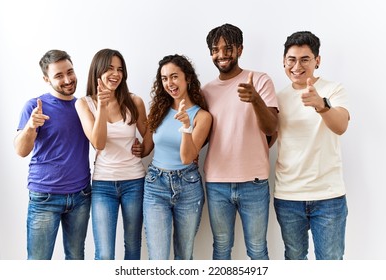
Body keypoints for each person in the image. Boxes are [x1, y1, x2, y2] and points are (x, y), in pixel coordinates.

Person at [202, 23, 278, 260]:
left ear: (240, 49)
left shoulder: (260, 80)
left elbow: (271, 127)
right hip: (217, 183)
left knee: (257, 250)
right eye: (215, 49)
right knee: (221, 248)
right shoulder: (206, 90)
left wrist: (255, 99)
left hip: (253, 182)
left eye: (228, 48)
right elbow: (203, 136)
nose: (221, 54)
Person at [273, 31, 350, 260]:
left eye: (305, 59)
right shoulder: (278, 97)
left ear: (317, 60)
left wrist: (321, 105)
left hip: (328, 196)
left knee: (331, 262)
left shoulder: (333, 90)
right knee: (295, 261)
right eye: (292, 59)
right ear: (283, 61)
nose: (297, 66)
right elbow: (268, 138)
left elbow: (341, 126)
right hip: (288, 196)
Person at [14, 49, 91, 260]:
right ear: (46, 79)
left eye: (70, 72)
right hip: (45, 196)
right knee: (39, 261)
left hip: (81, 196)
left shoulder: (83, 106)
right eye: (59, 75)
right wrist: (30, 126)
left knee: (76, 258)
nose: (67, 79)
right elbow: (21, 150)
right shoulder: (35, 106)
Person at [134, 54, 212, 260]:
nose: (169, 83)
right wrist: (132, 145)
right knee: (158, 258)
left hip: (188, 186)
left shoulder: (203, 116)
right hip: (155, 185)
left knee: (183, 256)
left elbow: (187, 157)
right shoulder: (158, 110)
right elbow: (147, 148)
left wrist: (186, 127)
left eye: (174, 76)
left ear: (187, 78)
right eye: (164, 78)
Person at [75, 49, 147, 260]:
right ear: (97, 71)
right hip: (103, 184)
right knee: (104, 253)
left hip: (134, 181)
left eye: (120, 70)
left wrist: (144, 149)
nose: (115, 74)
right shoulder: (84, 103)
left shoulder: (135, 101)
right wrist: (103, 107)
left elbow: (150, 133)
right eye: (109, 69)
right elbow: (98, 142)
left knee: (133, 246)